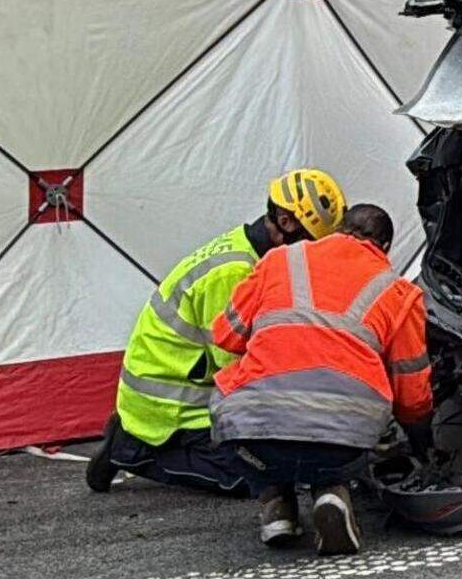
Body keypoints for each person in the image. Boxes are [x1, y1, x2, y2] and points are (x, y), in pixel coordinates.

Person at [81, 168, 344, 499]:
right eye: (311, 243)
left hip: (185, 388)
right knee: (254, 478)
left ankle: (134, 436)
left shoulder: (250, 253)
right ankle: (130, 449)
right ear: (286, 223)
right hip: (172, 409)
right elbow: (235, 367)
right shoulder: (233, 273)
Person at [210, 181, 432, 556]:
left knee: (228, 389)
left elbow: (225, 335)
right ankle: (333, 491)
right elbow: (411, 398)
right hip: (343, 444)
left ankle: (274, 504)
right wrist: (425, 448)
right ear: (385, 248)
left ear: (341, 229)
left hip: (255, 439)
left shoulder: (277, 261)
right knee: (358, 430)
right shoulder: (400, 293)